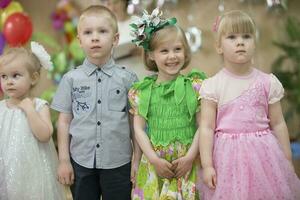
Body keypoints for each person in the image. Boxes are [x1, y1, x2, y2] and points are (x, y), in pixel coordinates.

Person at [199, 10, 300, 200]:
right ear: (219, 47)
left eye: (246, 36)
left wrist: (286, 159)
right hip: (228, 161)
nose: (240, 42)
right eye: (232, 37)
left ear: (255, 43)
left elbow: (278, 123)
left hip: (264, 158)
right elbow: (206, 127)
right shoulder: (213, 85)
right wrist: (208, 165)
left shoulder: (267, 82)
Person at [51, 5, 139, 200]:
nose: (95, 37)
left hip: (118, 163)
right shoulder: (70, 79)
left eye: (102, 31)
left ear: (115, 39)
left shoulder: (128, 79)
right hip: (81, 162)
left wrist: (137, 160)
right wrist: (64, 160)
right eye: (88, 32)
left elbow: (135, 122)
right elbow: (64, 121)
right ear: (79, 40)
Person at [129, 8, 206, 199]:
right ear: (151, 55)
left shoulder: (195, 86)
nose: (172, 56)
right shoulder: (143, 92)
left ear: (185, 52)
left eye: (177, 49)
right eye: (164, 51)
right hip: (156, 167)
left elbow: (203, 125)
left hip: (187, 166)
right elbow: (138, 129)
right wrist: (154, 160)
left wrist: (190, 158)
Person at [0, 42, 65, 200]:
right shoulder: (1, 107)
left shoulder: (38, 106)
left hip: (33, 170)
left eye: (16, 75)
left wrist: (29, 110)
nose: (9, 81)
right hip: (7, 168)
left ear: (33, 78)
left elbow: (45, 135)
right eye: (3, 76)